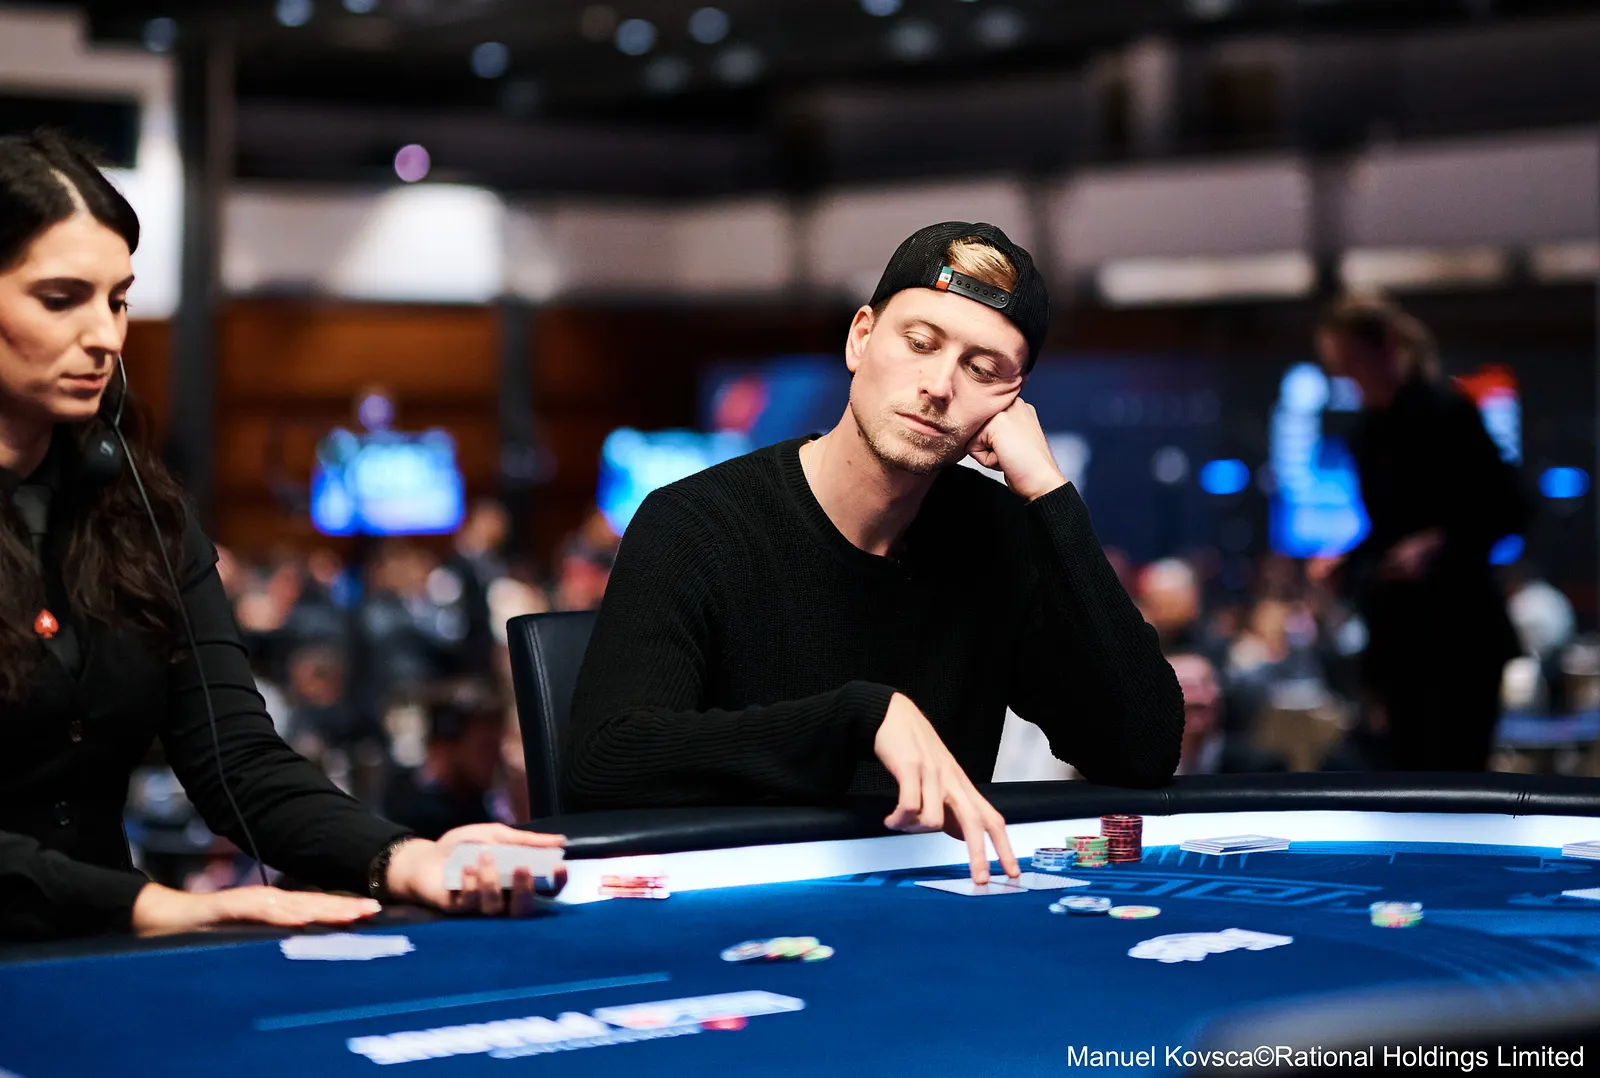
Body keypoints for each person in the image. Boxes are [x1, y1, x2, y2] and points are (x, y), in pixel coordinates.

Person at [0, 131, 558, 941]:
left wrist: (405, 859)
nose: (108, 337)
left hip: (98, 963)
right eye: (61, 299)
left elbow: (238, 761)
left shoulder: (138, 514)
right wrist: (153, 905)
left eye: (117, 299)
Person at [566, 221, 1184, 882]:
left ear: (1012, 401)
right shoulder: (698, 522)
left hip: (932, 908)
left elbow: (1141, 750)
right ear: (861, 337)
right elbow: (606, 764)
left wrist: (1050, 494)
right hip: (736, 906)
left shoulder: (996, 538)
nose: (939, 385)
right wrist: (855, 720)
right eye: (920, 343)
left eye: (982, 370)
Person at [1310, 293, 1532, 771]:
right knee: (1404, 779)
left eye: (1352, 363)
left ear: (1387, 346)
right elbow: (1390, 531)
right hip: (1400, 640)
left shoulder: (1448, 412)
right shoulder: (1367, 433)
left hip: (1461, 635)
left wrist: (1440, 543)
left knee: (1459, 779)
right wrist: (1347, 563)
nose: (1348, 379)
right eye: (1339, 368)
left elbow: (1511, 507)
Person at [384, 695, 505, 840]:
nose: (497, 758)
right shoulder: (412, 814)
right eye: (485, 748)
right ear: (445, 749)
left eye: (497, 746)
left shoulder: (481, 804)